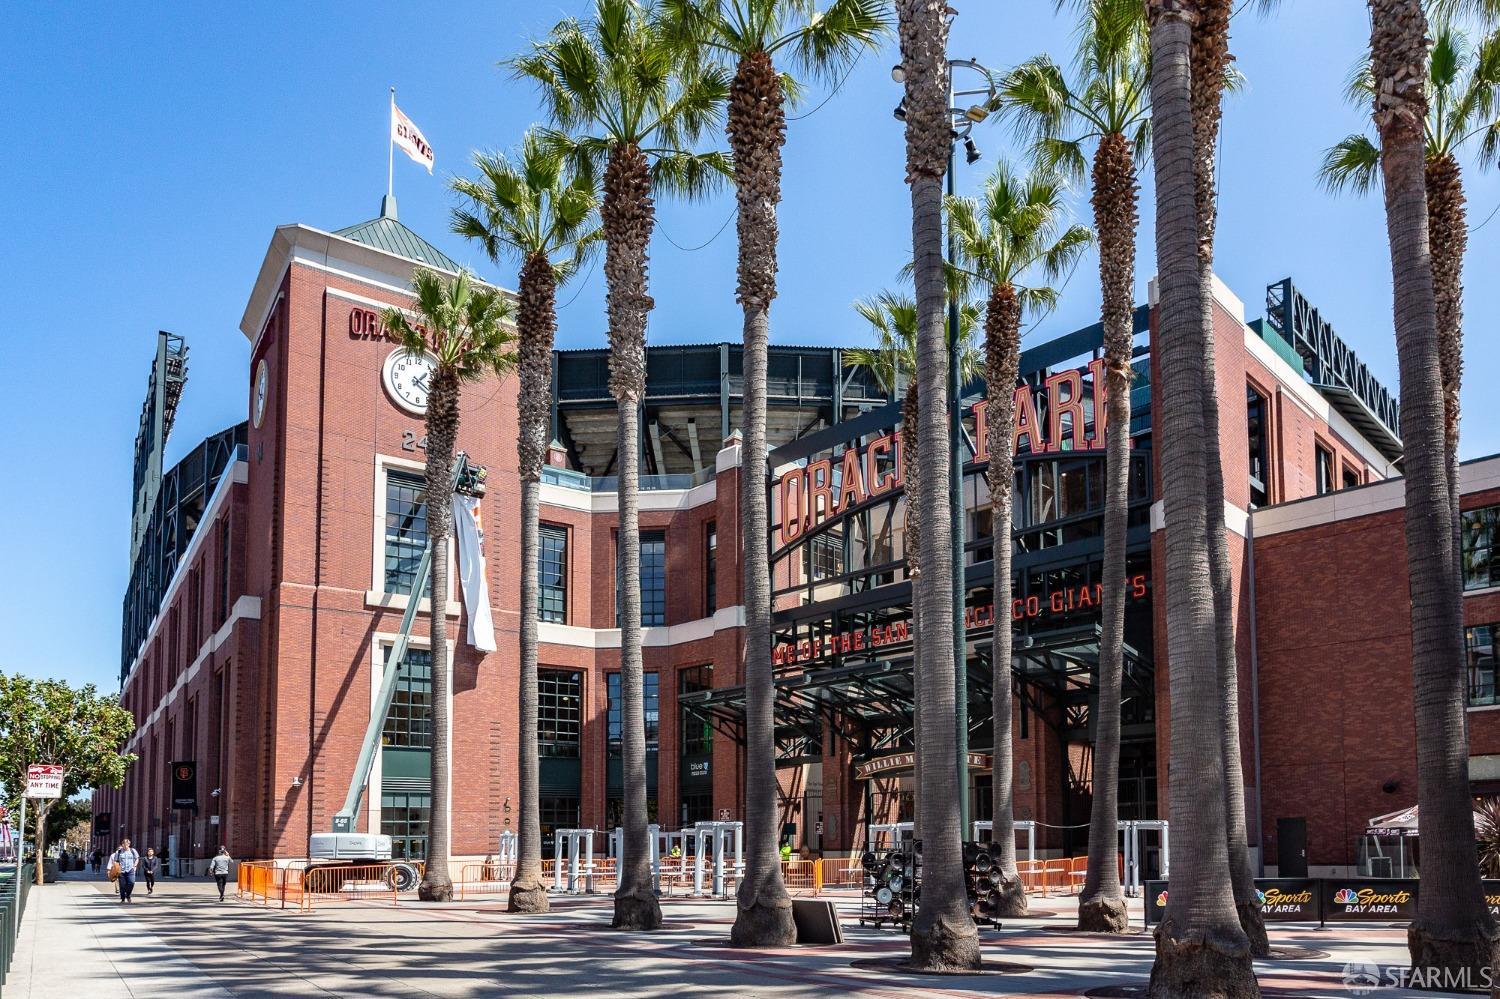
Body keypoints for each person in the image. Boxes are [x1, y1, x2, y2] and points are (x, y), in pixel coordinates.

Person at [113, 839, 140, 903]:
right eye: (124, 844)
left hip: (130, 870)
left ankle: (128, 895)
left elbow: (137, 858)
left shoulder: (133, 851)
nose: (125, 846)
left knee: (131, 883)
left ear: (129, 844)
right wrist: (116, 868)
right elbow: (115, 861)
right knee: (122, 885)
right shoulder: (118, 852)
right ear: (122, 845)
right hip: (121, 871)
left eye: (127, 844)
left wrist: (135, 866)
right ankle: (122, 898)